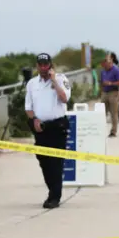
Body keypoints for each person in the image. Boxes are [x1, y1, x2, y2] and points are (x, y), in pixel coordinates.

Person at [24, 53, 71, 209]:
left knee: (56, 163)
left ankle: (54, 196)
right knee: (44, 161)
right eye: (41, 65)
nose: (43, 68)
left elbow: (64, 99)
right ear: (37, 66)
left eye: (46, 65)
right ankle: (52, 190)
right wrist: (34, 120)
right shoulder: (32, 84)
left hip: (57, 126)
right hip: (40, 128)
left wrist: (54, 81)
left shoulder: (61, 79)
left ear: (51, 65)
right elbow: (28, 107)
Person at [100, 52, 119, 137]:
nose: (105, 65)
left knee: (113, 113)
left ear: (110, 62)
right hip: (105, 92)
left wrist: (111, 83)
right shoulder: (103, 71)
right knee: (102, 112)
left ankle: (113, 131)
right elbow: (101, 82)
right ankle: (100, 130)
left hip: (113, 92)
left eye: (107, 63)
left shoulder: (116, 70)